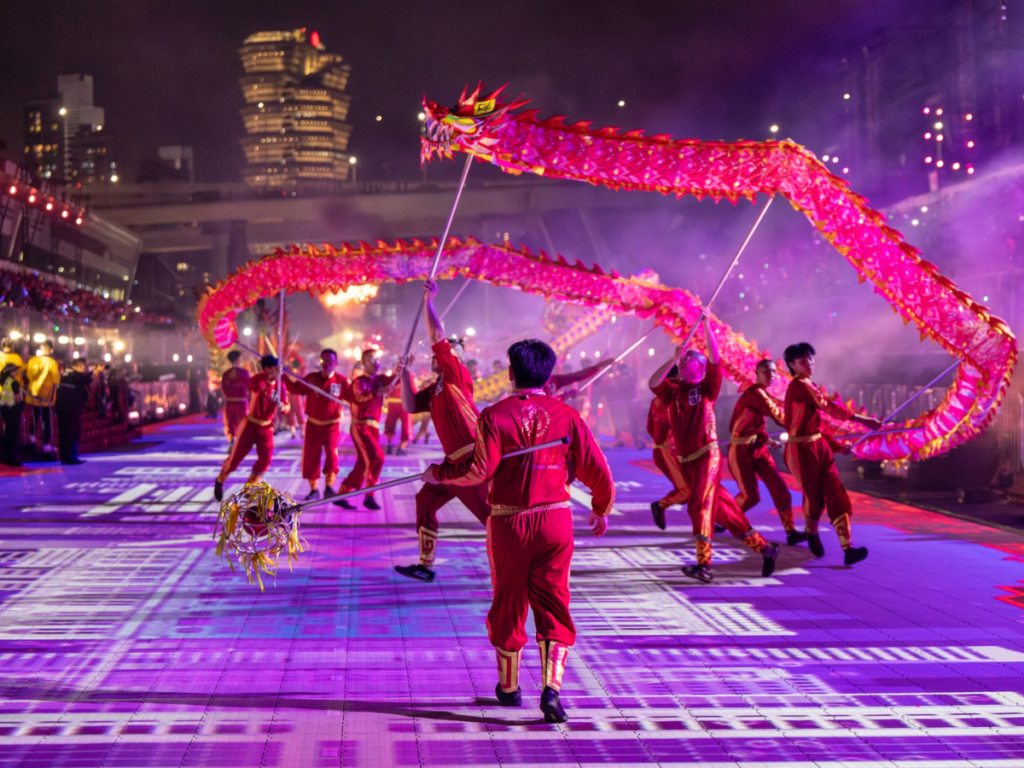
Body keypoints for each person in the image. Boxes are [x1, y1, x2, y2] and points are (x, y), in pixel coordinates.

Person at [423, 338, 614, 724]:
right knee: (554, 601)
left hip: (510, 522)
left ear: (511, 373)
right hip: (555, 520)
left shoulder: (494, 416)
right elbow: (599, 469)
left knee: (508, 597)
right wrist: (600, 508)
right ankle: (553, 690)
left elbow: (479, 471)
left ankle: (509, 689)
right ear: (546, 374)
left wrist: (438, 473)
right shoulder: (568, 416)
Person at [648, 309, 779, 584]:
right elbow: (653, 382)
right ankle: (767, 550)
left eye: (687, 362)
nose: (683, 366)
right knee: (727, 514)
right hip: (688, 461)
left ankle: (704, 564)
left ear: (698, 367)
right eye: (682, 363)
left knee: (698, 505)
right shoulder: (673, 390)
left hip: (707, 454)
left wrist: (707, 325)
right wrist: (671, 359)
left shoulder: (708, 387)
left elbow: (716, 359)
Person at [395, 281, 490, 582]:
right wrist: (404, 374)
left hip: (475, 461)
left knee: (495, 519)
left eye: (450, 350)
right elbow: (410, 406)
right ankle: (426, 565)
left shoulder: (456, 374)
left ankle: (522, 568)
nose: (442, 352)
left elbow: (437, 337)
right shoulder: (436, 386)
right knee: (425, 500)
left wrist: (429, 301)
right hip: (452, 463)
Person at [783, 342, 881, 564]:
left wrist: (836, 447)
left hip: (818, 446)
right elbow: (828, 406)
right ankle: (812, 532)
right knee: (815, 498)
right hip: (800, 450)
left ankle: (849, 549)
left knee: (836, 493)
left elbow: (816, 427)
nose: (809, 364)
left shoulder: (809, 384)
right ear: (792, 365)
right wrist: (863, 420)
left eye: (810, 359)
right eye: (802, 361)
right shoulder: (799, 386)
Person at [728, 359, 806, 546]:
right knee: (751, 496)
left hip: (758, 449)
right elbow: (779, 418)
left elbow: (751, 424)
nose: (771, 375)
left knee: (780, 489)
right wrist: (806, 423)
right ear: (757, 373)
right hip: (740, 451)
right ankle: (723, 517)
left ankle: (790, 532)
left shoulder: (762, 394)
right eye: (766, 371)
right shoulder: (755, 395)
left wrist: (766, 440)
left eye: (773, 372)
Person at [333, 349, 399, 511]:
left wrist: (403, 368)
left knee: (363, 463)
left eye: (377, 359)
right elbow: (360, 400)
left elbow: (395, 380)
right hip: (360, 426)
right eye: (371, 359)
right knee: (377, 458)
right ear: (364, 363)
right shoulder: (359, 381)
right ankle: (370, 495)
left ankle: (342, 494)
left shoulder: (380, 379)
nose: (375, 362)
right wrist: (378, 392)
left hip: (374, 427)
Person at [214, 355, 285, 501]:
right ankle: (220, 479)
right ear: (266, 369)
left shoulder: (280, 386)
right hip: (250, 425)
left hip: (266, 428)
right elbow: (254, 384)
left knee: (266, 459)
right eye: (273, 370)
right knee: (235, 458)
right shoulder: (257, 380)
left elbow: (286, 404)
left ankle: (249, 488)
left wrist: (284, 406)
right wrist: (269, 375)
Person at [285, 349, 348, 500]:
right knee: (311, 456)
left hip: (332, 425)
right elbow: (295, 389)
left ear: (336, 363)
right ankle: (314, 489)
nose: (326, 364)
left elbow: (354, 397)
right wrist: (283, 375)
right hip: (313, 424)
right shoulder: (312, 379)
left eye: (329, 362)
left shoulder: (341, 381)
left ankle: (329, 487)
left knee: (332, 455)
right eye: (323, 361)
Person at [25, 339, 60, 456]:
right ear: (51, 350)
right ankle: (46, 444)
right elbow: (56, 379)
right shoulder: (52, 362)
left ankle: (31, 437)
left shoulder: (32, 360)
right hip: (46, 394)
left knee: (35, 416)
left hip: (33, 392)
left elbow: (29, 375)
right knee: (46, 418)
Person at [55, 358, 92, 465]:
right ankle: (70, 457)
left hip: (67, 410)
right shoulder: (72, 376)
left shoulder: (68, 375)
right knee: (72, 432)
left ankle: (68, 456)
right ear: (81, 366)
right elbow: (84, 380)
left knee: (67, 433)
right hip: (70, 410)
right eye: (85, 366)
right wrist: (94, 373)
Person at [220, 350, 250, 451]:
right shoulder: (244, 373)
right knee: (241, 423)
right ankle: (240, 444)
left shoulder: (226, 374)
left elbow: (224, 389)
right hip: (241, 403)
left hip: (230, 402)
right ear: (237, 360)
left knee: (230, 422)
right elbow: (250, 387)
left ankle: (232, 441)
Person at [0, 362, 24, 466]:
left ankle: (6, 456)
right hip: (13, 410)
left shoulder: (4, 381)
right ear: (11, 371)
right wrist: (22, 406)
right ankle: (12, 458)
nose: (17, 371)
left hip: (5, 410)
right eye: (15, 370)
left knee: (8, 433)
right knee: (13, 435)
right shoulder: (14, 382)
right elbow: (18, 399)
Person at [384, 376, 412, 456]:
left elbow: (386, 392)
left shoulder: (391, 377)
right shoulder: (409, 376)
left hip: (392, 403)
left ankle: (390, 444)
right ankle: (401, 448)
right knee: (406, 426)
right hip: (405, 404)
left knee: (390, 424)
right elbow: (414, 391)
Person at [284, 358, 306, 439]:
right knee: (289, 414)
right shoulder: (286, 372)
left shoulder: (298, 373)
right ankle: (293, 433)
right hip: (288, 395)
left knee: (299, 413)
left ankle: (302, 432)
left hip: (296, 395)